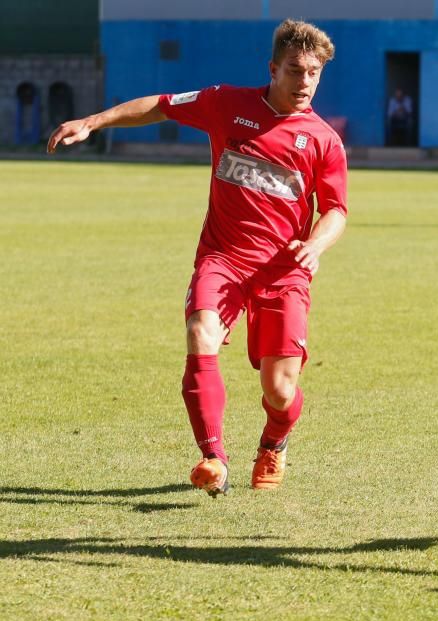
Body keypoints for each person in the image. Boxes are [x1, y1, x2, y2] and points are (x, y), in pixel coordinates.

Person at [47, 19, 348, 497]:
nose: (306, 81)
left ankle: (274, 441)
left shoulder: (324, 141)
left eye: (314, 72)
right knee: (199, 332)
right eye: (295, 70)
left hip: (284, 273)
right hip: (223, 258)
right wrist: (93, 121)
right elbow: (162, 106)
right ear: (273, 69)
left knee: (280, 390)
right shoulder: (227, 103)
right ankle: (214, 458)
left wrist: (315, 244)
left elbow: (335, 211)